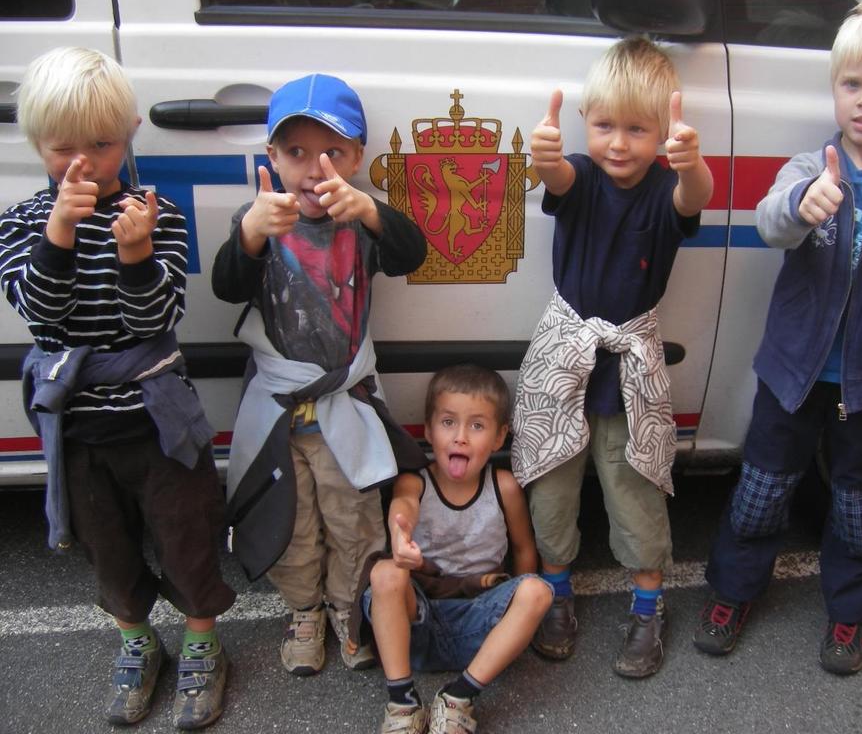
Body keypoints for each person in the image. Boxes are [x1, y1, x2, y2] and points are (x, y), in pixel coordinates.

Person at [692, 3, 862, 675]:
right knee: (760, 493)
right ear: (835, 87)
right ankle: (731, 593)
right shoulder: (812, 164)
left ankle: (851, 610)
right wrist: (802, 202)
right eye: (853, 84)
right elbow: (771, 221)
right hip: (792, 375)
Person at [0, 47, 235, 729]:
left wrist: (134, 257)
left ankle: (201, 641)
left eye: (101, 145)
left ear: (130, 132)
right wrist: (61, 233)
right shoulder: (20, 224)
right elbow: (42, 316)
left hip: (158, 417)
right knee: (107, 542)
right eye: (62, 149)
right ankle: (135, 637)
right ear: (36, 144)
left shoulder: (153, 216)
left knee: (188, 531)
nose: (83, 164)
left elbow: (157, 320)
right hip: (80, 425)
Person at [211, 73, 427, 677]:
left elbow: (414, 253)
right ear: (272, 159)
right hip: (280, 413)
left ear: (357, 159)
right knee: (292, 521)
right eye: (297, 153)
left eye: (333, 152)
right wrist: (252, 232)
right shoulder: (259, 222)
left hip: (344, 407)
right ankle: (304, 611)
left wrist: (374, 211)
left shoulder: (361, 223)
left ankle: (345, 608)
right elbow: (226, 287)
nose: (314, 168)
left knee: (353, 517)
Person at [513, 36, 714, 678]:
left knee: (635, 488)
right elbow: (559, 177)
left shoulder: (665, 189)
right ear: (583, 124)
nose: (618, 144)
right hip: (565, 355)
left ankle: (649, 606)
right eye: (604, 126)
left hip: (630, 361)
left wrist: (691, 165)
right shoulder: (578, 174)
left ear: (662, 133)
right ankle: (556, 595)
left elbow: (693, 200)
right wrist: (543, 157)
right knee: (552, 486)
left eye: (637, 129)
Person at [357, 364, 553, 734]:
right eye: (448, 423)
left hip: (481, 629)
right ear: (428, 431)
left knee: (538, 591)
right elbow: (404, 506)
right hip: (418, 622)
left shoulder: (504, 486)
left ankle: (459, 696)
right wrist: (400, 536)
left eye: (477, 426)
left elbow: (525, 552)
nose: (460, 437)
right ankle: (402, 704)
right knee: (384, 572)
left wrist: (522, 618)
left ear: (499, 437)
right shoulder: (415, 481)